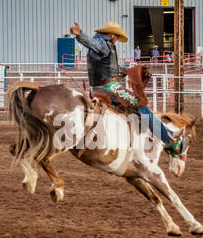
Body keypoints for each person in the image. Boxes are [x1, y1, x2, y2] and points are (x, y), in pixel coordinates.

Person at [69, 21, 180, 149]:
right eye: (116, 37)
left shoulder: (104, 45)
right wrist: (80, 34)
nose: (116, 40)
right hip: (109, 87)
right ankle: (167, 138)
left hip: (99, 86)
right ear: (111, 35)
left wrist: (128, 71)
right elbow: (91, 44)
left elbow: (112, 68)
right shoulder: (103, 44)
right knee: (141, 104)